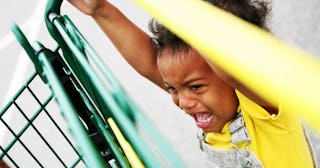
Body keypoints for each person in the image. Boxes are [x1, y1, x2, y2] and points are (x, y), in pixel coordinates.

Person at [68, 0, 315, 167]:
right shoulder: (217, 111)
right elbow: (152, 65)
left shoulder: (265, 111)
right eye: (173, 89)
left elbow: (230, 70)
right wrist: (101, 9)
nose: (183, 102)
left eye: (196, 87)